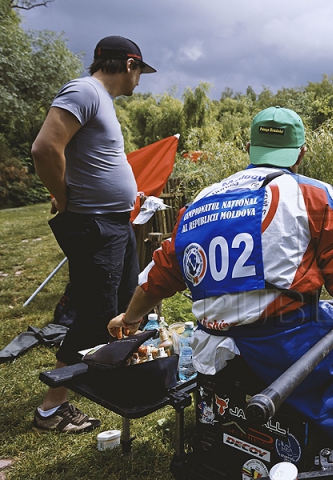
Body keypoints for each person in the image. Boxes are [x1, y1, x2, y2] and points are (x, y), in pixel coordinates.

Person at [108, 107, 333, 449]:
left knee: (325, 311)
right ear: (301, 152)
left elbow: (159, 275)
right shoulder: (313, 195)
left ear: (248, 148)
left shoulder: (201, 201)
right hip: (282, 347)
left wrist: (130, 318)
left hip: (211, 345)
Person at [31, 36, 156, 433]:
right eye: (141, 72)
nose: (140, 81)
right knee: (94, 313)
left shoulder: (100, 99)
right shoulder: (84, 90)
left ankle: (113, 378)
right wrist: (62, 196)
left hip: (113, 223)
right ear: (130, 64)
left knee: (123, 302)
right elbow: (45, 148)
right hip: (95, 225)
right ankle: (52, 408)